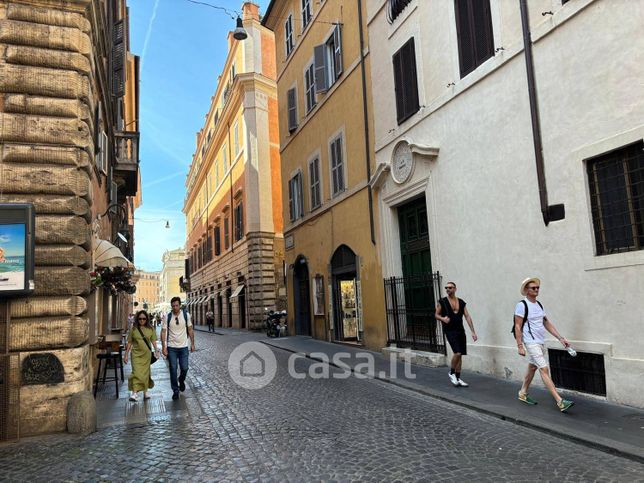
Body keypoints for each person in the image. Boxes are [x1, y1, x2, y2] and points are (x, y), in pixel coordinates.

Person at [514, 277, 574, 412]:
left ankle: (523, 393)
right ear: (526, 291)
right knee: (544, 369)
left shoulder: (539, 305)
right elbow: (517, 326)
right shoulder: (522, 305)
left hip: (540, 342)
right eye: (533, 288)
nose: (536, 289)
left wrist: (560, 338)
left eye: (537, 288)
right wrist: (520, 345)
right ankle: (560, 401)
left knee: (532, 368)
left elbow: (546, 323)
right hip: (530, 342)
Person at [435, 282, 478, 387]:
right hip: (450, 331)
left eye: (450, 287)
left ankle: (458, 378)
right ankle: (451, 372)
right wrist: (443, 319)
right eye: (446, 288)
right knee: (457, 352)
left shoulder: (461, 302)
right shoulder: (443, 302)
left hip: (460, 331)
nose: (447, 289)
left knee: (460, 355)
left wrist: (473, 331)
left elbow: (467, 316)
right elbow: (436, 314)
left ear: (455, 289)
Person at [161, 296, 195, 400]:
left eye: (176, 305)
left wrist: (192, 344)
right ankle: (175, 390)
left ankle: (181, 380)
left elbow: (190, 329)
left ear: (180, 305)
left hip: (183, 347)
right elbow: (163, 332)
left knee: (185, 368)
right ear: (171, 306)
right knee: (173, 369)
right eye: (173, 306)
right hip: (172, 348)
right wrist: (164, 347)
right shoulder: (168, 316)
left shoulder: (186, 315)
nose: (175, 307)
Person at [124, 310, 160, 402]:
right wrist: (126, 355)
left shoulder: (150, 329)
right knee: (136, 372)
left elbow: (154, 341)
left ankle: (145, 391)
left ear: (147, 319)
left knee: (145, 373)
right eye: (140, 319)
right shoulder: (134, 329)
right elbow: (129, 342)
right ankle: (134, 393)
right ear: (137, 319)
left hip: (146, 354)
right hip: (135, 354)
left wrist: (156, 351)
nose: (142, 320)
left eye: (144, 319)